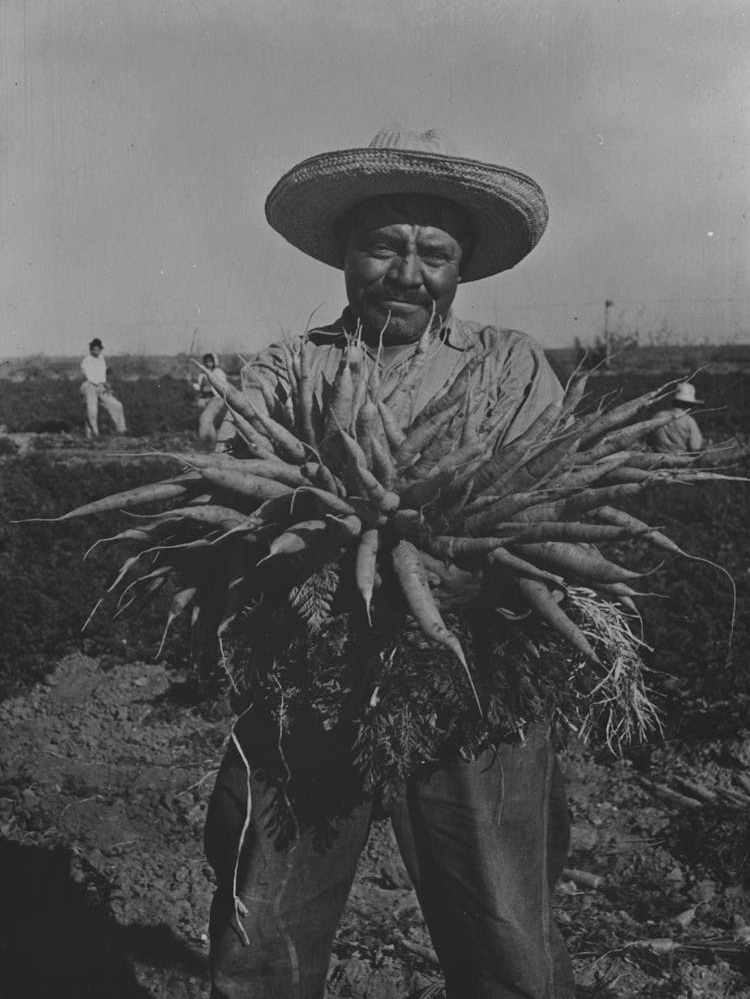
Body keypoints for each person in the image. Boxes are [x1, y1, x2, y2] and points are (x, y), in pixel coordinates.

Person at [204, 126, 576, 999]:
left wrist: (482, 577)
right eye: (383, 246)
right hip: (310, 683)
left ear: (460, 268)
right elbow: (239, 498)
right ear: (344, 254)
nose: (407, 272)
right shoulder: (291, 366)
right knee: (265, 935)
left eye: (433, 253)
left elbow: (550, 507)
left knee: (507, 941)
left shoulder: (510, 364)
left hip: (475, 684)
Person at [79, 338, 126, 438]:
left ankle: (121, 430)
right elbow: (87, 374)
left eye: (98, 349)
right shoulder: (87, 360)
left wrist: (106, 383)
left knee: (117, 406)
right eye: (94, 349)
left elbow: (102, 373)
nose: (96, 351)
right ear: (91, 350)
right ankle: (93, 435)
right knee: (92, 411)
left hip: (101, 387)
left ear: (100, 350)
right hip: (90, 387)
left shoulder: (101, 358)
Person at [648, 381, 703, 453]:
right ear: (689, 405)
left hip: (656, 459)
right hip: (681, 460)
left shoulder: (656, 416)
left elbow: (648, 440)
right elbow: (695, 447)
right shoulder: (689, 421)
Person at [192, 352, 228, 449]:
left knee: (204, 419)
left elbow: (223, 387)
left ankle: (204, 443)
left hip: (216, 399)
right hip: (206, 399)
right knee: (207, 420)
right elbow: (200, 387)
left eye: (210, 362)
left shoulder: (218, 372)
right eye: (206, 362)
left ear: (214, 362)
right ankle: (211, 444)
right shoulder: (202, 375)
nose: (208, 364)